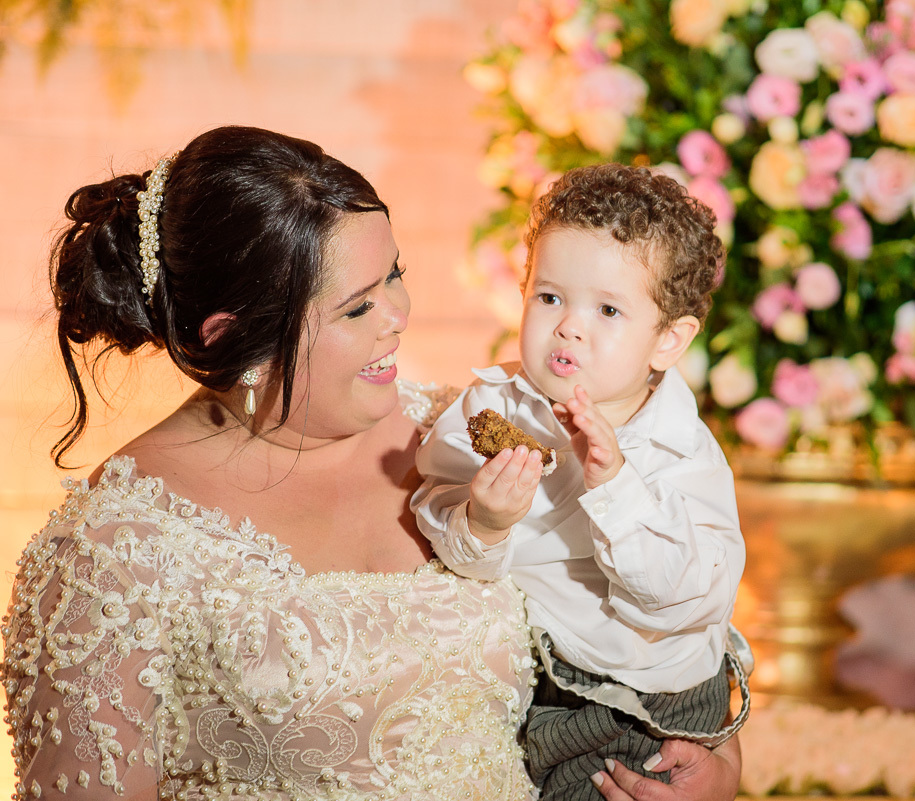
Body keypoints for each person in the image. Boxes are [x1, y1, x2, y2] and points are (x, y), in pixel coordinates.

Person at [1, 126, 743, 801]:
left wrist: (717, 758)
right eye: (357, 307)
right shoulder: (106, 556)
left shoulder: (479, 429)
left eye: (395, 274)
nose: (400, 314)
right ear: (238, 338)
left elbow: (657, 609)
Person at [411, 164, 749, 801]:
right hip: (543, 681)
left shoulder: (679, 448)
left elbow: (689, 600)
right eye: (549, 297)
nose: (569, 326)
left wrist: (615, 486)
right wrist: (482, 524)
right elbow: (437, 507)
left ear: (668, 341)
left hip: (648, 703)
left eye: (609, 309)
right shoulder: (494, 406)